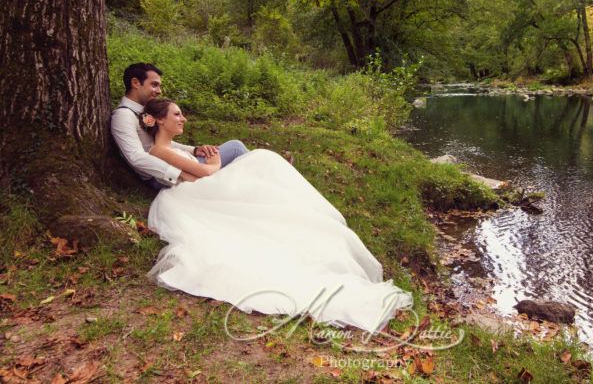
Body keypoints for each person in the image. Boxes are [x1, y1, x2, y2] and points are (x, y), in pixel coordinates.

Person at [140, 98, 413, 333]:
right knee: (261, 159)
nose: (183, 118)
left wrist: (201, 160)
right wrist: (212, 162)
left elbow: (192, 173)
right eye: (177, 114)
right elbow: (206, 174)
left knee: (261, 161)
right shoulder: (159, 150)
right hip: (194, 193)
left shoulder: (173, 148)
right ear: (160, 121)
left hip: (197, 185)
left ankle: (276, 186)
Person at [110, 62, 248, 190]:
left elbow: (160, 142)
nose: (159, 91)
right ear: (135, 83)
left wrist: (194, 150)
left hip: (172, 163)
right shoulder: (124, 116)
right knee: (235, 148)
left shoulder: (143, 111)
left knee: (233, 151)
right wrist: (180, 174)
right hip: (162, 175)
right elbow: (136, 157)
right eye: (154, 85)